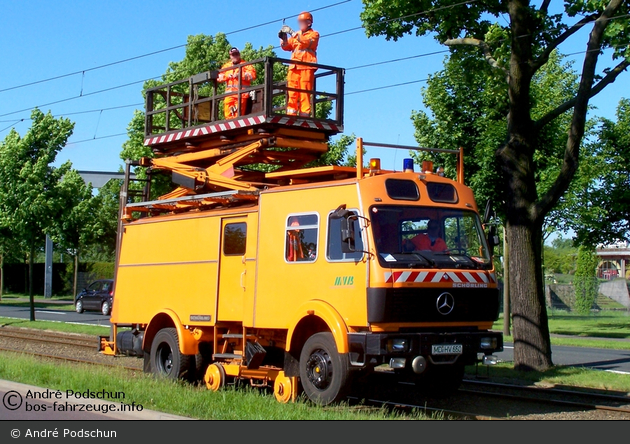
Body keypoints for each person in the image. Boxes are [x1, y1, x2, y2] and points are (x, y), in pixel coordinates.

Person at [279, 11, 319, 117]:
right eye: (299, 22)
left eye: (302, 21)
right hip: (294, 68)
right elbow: (286, 46)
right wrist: (283, 38)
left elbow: (306, 42)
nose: (300, 24)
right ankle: (291, 115)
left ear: (309, 23)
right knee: (292, 93)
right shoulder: (297, 35)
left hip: (306, 67)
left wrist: (292, 32)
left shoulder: (314, 34)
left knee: (304, 93)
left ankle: (304, 117)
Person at [217, 47, 257, 119]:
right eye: (233, 54)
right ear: (230, 56)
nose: (235, 56)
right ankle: (229, 127)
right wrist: (227, 76)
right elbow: (219, 77)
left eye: (236, 54)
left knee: (238, 114)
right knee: (227, 114)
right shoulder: (226, 66)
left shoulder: (246, 65)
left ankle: (236, 128)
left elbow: (253, 75)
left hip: (241, 94)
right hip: (229, 95)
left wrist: (240, 75)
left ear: (239, 54)